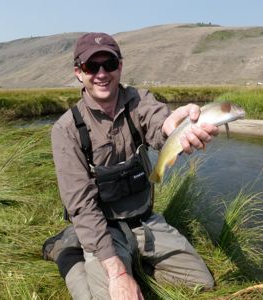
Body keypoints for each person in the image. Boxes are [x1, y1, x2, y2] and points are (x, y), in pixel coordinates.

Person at [44, 32, 219, 300]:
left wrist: (173, 129)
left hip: (144, 221)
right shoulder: (66, 130)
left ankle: (130, 261)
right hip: (103, 228)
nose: (102, 73)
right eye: (92, 66)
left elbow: (159, 122)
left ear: (120, 67)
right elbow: (81, 206)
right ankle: (68, 251)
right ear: (79, 73)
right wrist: (117, 273)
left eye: (109, 64)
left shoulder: (139, 100)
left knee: (202, 282)